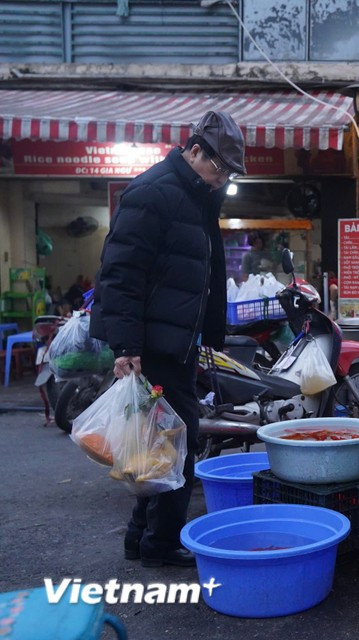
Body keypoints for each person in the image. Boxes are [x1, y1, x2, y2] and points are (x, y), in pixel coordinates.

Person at [90, 111, 245, 568]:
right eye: (220, 168)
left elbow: (201, 273)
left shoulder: (195, 195)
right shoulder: (154, 192)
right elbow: (121, 275)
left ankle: (141, 537)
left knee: (156, 443)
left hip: (175, 341)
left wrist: (209, 334)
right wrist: (126, 348)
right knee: (178, 441)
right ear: (195, 151)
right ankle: (160, 543)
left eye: (229, 173)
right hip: (154, 345)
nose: (222, 179)